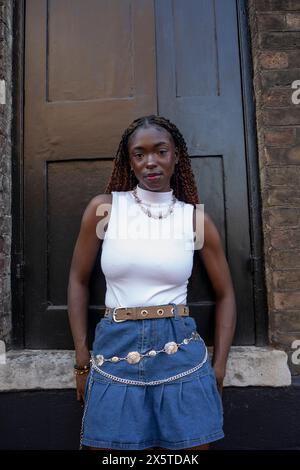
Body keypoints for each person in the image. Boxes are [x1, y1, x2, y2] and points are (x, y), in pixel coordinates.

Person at [67, 115, 237, 451]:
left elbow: (226, 294)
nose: (150, 163)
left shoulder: (194, 219)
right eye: (139, 154)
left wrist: (219, 368)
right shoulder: (105, 210)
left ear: (176, 156)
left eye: (160, 151)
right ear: (129, 161)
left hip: (180, 349)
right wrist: (82, 357)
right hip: (115, 348)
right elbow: (77, 279)